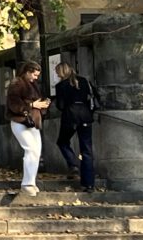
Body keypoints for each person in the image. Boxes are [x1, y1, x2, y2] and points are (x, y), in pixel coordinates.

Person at [5, 60, 51, 196]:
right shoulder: (17, 83)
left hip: (32, 122)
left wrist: (41, 105)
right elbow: (13, 104)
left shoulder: (32, 85)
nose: (36, 78)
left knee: (36, 151)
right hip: (20, 121)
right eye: (34, 75)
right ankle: (27, 183)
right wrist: (32, 105)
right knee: (31, 149)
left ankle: (31, 182)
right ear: (27, 72)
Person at [54, 62, 96, 192]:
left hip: (70, 116)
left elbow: (60, 105)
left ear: (61, 72)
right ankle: (88, 184)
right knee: (86, 150)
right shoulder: (84, 81)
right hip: (85, 115)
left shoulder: (61, 85)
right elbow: (93, 97)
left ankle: (73, 164)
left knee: (62, 141)